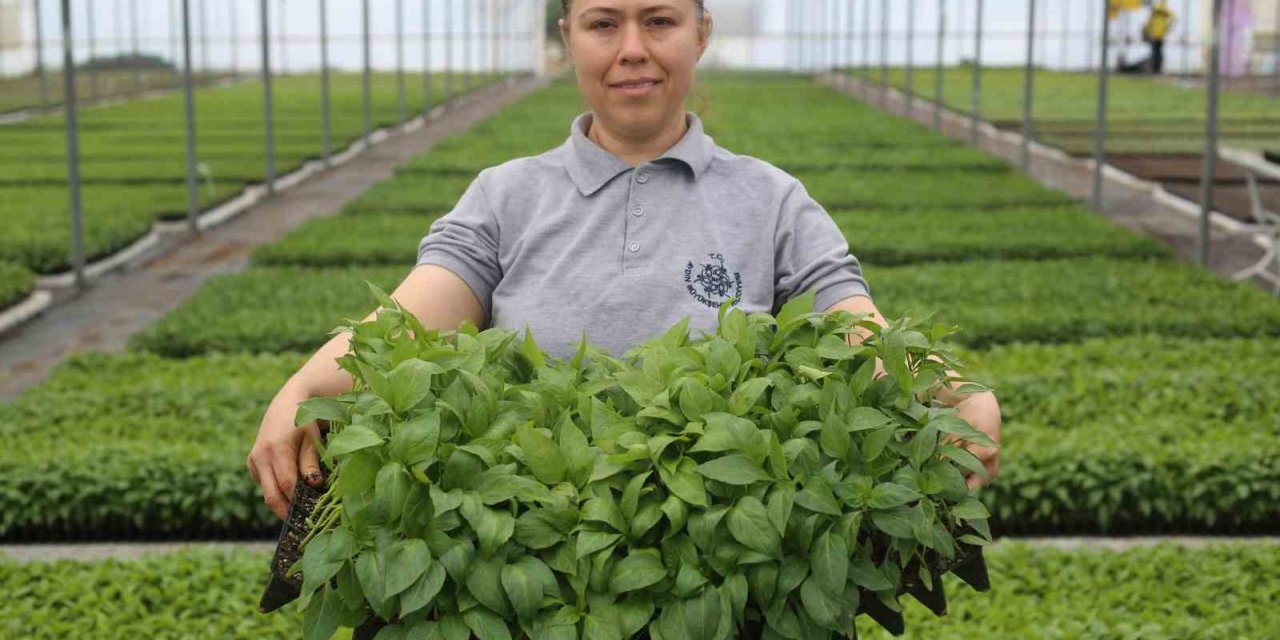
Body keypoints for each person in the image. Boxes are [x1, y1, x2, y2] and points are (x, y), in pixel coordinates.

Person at [248, 0, 1003, 521]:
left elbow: (854, 325)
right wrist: (302, 389)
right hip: (536, 560)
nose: (632, 49)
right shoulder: (507, 196)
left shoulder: (770, 201)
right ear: (568, 35)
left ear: (699, 34)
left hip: (721, 565)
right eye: (604, 22)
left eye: (660, 20)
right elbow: (407, 323)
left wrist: (958, 392)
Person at [1142, 0, 1176, 74]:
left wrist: (1145, 30)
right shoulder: (1165, 10)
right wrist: (1167, 28)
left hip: (1154, 34)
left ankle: (1154, 69)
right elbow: (1174, 18)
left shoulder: (1155, 10)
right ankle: (1158, 68)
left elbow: (1149, 21)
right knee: (1159, 52)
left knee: (1154, 52)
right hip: (1161, 34)